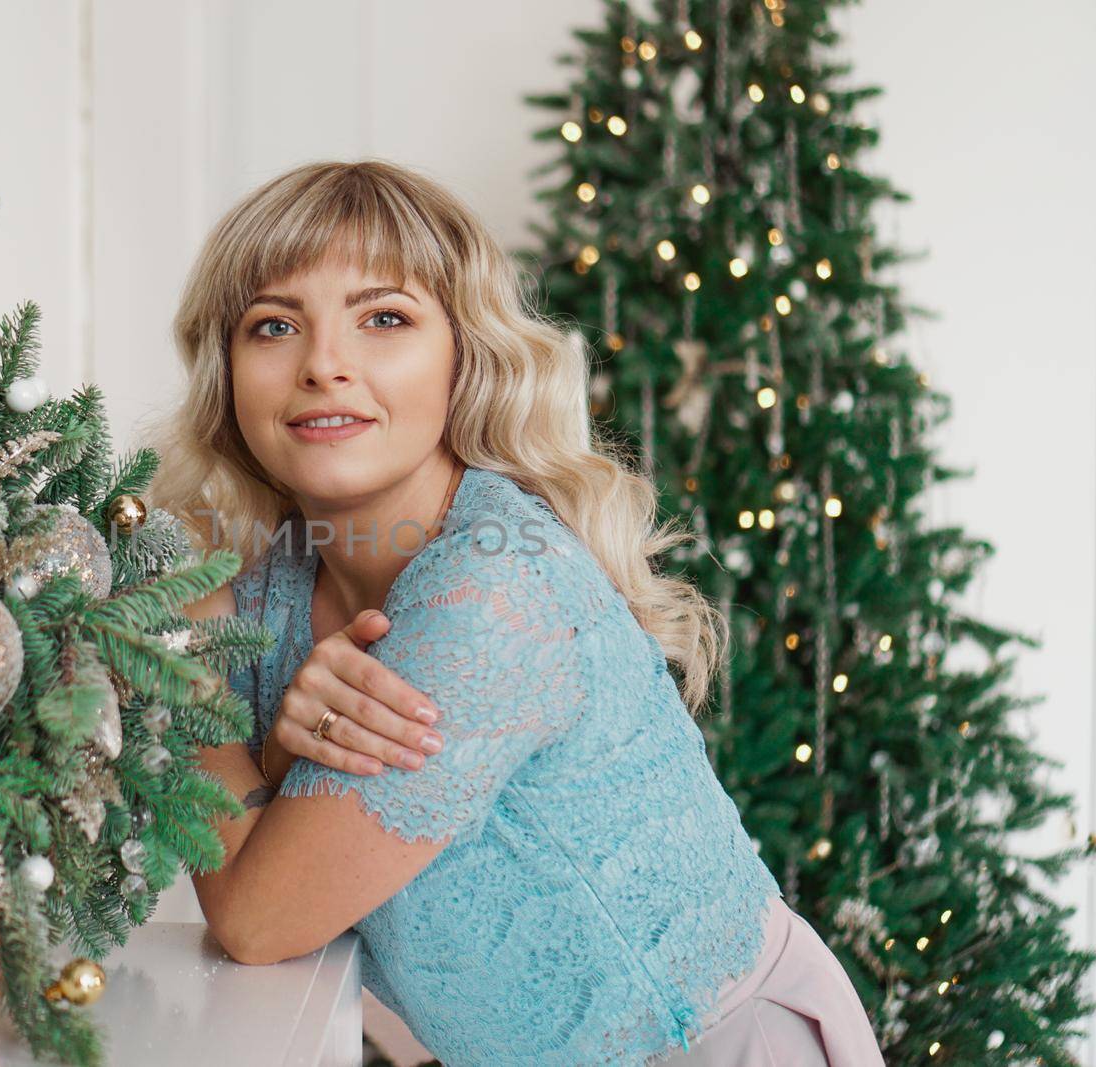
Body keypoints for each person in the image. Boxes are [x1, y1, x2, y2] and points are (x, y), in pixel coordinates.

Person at [151, 158, 885, 1066]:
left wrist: (187, 686)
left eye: (385, 318)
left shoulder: (491, 591)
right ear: (228, 372)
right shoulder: (278, 582)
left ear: (466, 358)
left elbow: (260, 917)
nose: (324, 366)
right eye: (273, 325)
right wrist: (241, 718)